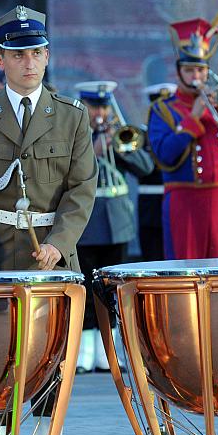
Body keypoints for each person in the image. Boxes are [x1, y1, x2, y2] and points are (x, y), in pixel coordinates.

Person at [0, 5, 97, 435]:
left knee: (51, 359)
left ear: (48, 56)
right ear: (0, 61)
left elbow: (82, 189)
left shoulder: (71, 115)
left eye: (37, 53)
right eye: (18, 54)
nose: (29, 63)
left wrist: (59, 242)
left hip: (50, 257)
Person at [73, 81, 153, 373]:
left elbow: (145, 168)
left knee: (113, 290)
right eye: (96, 106)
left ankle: (112, 353)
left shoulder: (119, 135)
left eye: (105, 106)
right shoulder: (76, 135)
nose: (101, 113)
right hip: (87, 222)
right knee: (86, 286)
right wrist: (94, 149)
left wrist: (121, 147)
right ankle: (85, 352)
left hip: (117, 221)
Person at [147, 14, 218, 260]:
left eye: (200, 70)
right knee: (185, 271)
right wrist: (192, 119)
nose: (196, 76)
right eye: (189, 70)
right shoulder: (163, 109)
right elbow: (164, 154)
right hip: (184, 200)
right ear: (179, 73)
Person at [137, 83, 175, 262]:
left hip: (176, 201)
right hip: (150, 207)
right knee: (152, 256)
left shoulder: (180, 134)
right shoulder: (140, 135)